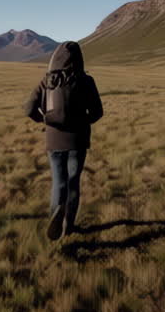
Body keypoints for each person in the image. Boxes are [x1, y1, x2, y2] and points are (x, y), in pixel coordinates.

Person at [23, 41, 104, 240]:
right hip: (78, 141)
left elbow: (28, 109)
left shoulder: (47, 81)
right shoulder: (86, 80)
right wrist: (82, 122)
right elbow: (97, 112)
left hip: (54, 140)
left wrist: (46, 121)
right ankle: (69, 227)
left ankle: (55, 220)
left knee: (58, 182)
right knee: (73, 182)